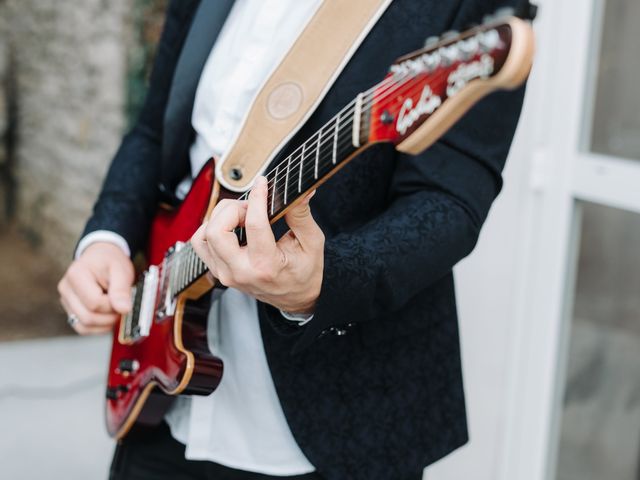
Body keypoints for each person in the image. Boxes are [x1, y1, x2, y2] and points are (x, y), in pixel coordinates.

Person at [57, 0, 527, 479]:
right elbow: (156, 126)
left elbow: (449, 200)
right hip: (163, 405)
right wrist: (106, 238)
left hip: (341, 423)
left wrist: (326, 281)